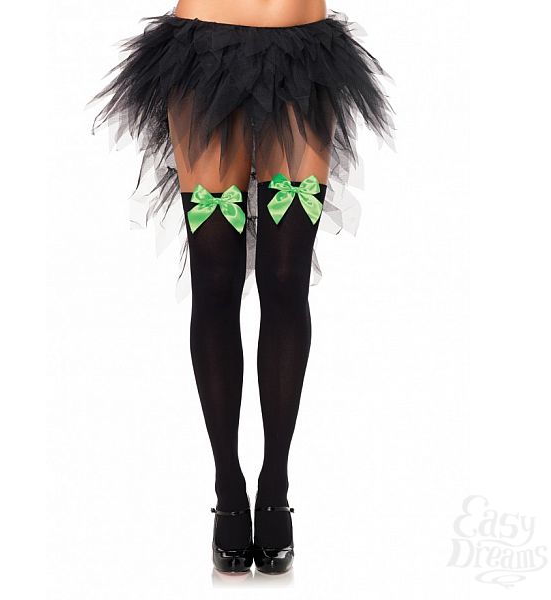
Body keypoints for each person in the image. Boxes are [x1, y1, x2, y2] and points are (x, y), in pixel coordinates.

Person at [89, 0, 395, 574]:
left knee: (286, 278)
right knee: (214, 279)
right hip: (202, 48)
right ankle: (228, 488)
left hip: (303, 47)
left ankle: (274, 483)